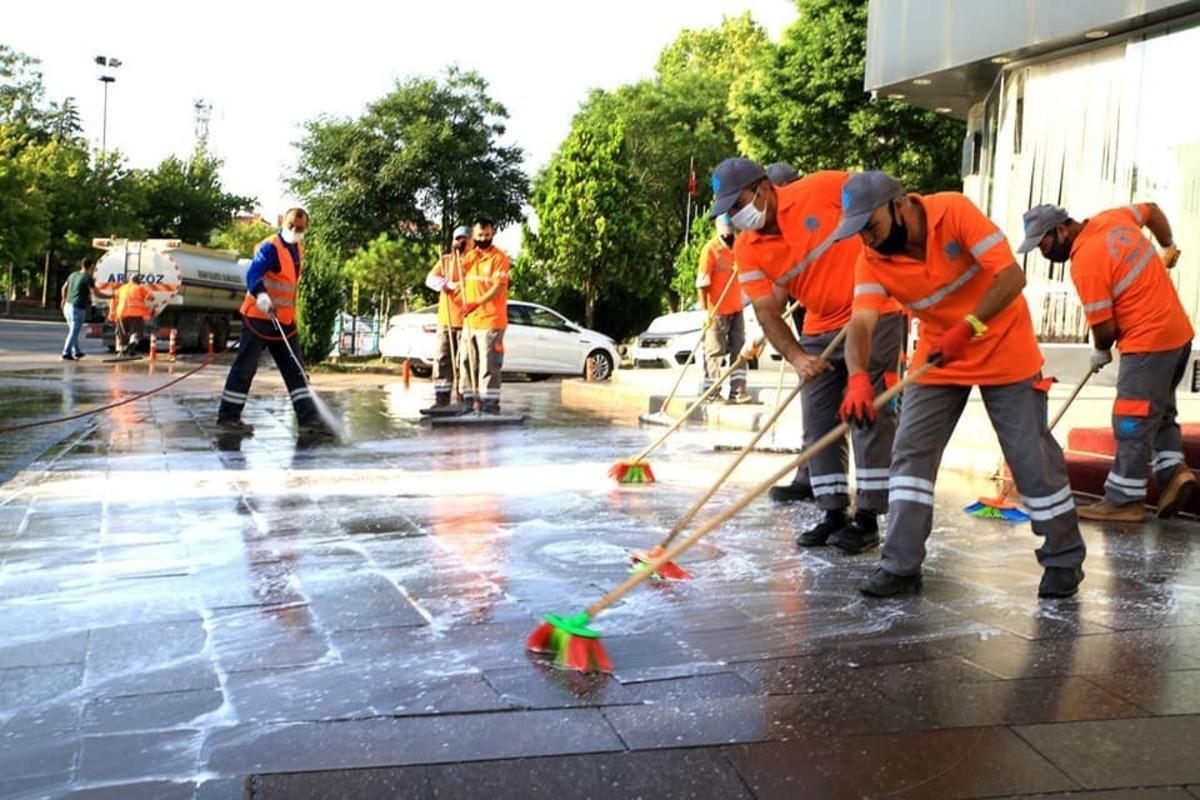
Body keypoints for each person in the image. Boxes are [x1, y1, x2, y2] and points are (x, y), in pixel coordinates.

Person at [834, 170, 1086, 598]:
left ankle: (1063, 558)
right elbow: (861, 323)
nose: (867, 240)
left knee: (1030, 460)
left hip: (1004, 348)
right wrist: (857, 376)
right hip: (939, 359)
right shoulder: (872, 259)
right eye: (858, 233)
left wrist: (967, 327)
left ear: (898, 205)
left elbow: (1011, 277)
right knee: (910, 456)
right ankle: (900, 566)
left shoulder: (953, 211)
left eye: (870, 227)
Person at [710, 158, 904, 555]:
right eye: (728, 210)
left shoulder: (821, 188)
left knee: (866, 414)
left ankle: (867, 518)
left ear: (762, 188)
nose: (734, 216)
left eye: (737, 204)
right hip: (819, 324)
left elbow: (881, 197)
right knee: (818, 422)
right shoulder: (748, 249)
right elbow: (767, 310)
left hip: (875, 311)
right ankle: (833, 511)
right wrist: (797, 356)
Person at [1017, 202, 1196, 521]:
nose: (1043, 254)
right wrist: (1168, 246)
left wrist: (1100, 350)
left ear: (1061, 229)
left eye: (1043, 245)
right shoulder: (1113, 219)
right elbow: (1152, 210)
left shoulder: (1085, 261)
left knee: (1130, 421)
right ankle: (1174, 475)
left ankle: (1123, 501)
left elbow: (1105, 328)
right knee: (1161, 413)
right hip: (1178, 337)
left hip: (1147, 343)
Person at [216, 208, 325, 436]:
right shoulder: (271, 247)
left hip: (284, 321)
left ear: (306, 229)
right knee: (245, 369)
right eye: (291, 225)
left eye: (300, 228)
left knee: (296, 370)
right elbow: (253, 273)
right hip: (259, 317)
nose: (294, 230)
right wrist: (261, 295)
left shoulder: (298, 250)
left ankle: (309, 420)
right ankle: (228, 419)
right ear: (284, 223)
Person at [697, 216, 751, 404]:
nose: (730, 236)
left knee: (740, 349)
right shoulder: (710, 250)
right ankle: (712, 393)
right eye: (726, 232)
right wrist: (704, 312)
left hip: (736, 307)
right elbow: (702, 283)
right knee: (715, 351)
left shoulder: (739, 247)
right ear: (719, 230)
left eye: (732, 232)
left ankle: (737, 391)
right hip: (716, 310)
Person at [459, 218, 510, 414]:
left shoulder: (499, 258)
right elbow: (455, 273)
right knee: (466, 363)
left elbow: (498, 288)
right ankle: (468, 403)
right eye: (480, 235)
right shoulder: (470, 257)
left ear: (493, 233)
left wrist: (476, 303)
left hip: (491, 321)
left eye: (487, 235)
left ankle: (489, 406)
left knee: (488, 366)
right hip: (470, 322)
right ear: (473, 236)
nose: (483, 239)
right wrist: (458, 249)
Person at [423, 225, 472, 413]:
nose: (460, 242)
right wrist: (446, 284)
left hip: (468, 320)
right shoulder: (446, 261)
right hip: (447, 320)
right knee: (443, 360)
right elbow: (430, 279)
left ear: (471, 241)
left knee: (466, 362)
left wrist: (462, 284)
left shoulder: (476, 262)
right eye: (457, 238)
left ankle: (465, 400)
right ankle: (441, 400)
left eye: (464, 239)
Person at [60, 258, 109, 360]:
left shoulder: (73, 274)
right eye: (93, 267)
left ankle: (76, 351)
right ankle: (66, 352)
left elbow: (64, 288)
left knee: (73, 331)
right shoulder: (87, 278)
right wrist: (111, 297)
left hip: (67, 306)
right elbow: (96, 293)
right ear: (91, 266)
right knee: (74, 332)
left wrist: (63, 300)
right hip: (77, 307)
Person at [113, 274, 154, 356]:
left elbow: (114, 299)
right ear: (138, 281)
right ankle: (132, 343)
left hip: (121, 313)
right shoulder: (140, 288)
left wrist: (112, 313)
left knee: (121, 333)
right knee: (136, 331)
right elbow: (151, 298)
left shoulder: (122, 288)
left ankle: (120, 351)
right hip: (136, 313)